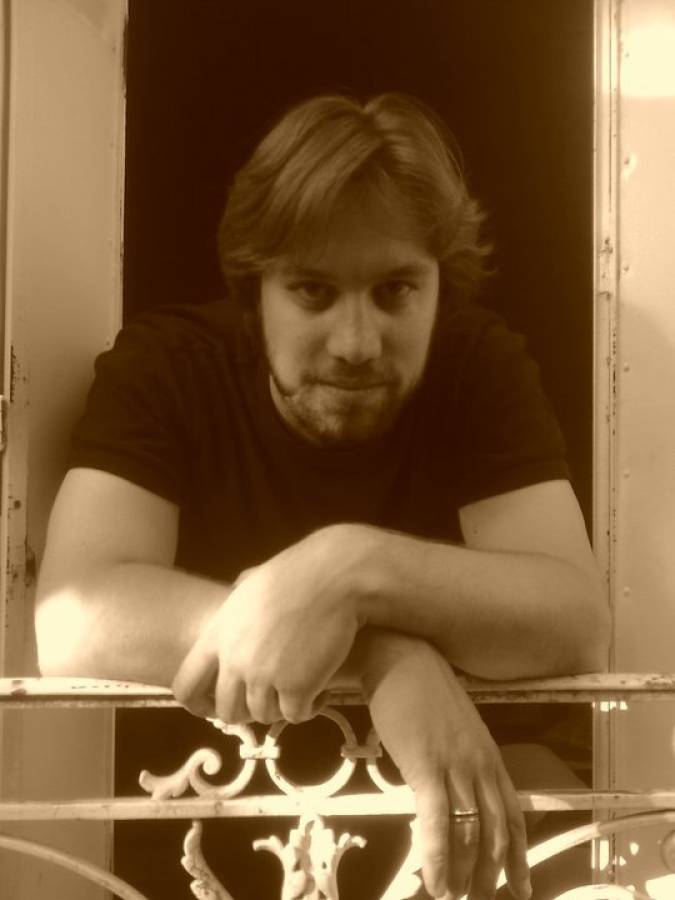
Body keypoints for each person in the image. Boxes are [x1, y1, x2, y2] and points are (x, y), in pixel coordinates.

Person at [35, 92, 608, 900]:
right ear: (254, 289)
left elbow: (574, 623)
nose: (356, 343)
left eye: (395, 290)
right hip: (212, 826)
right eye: (311, 290)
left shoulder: (477, 366)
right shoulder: (168, 367)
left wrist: (350, 570)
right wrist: (378, 655)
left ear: (439, 286)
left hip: (462, 830)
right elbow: (74, 620)